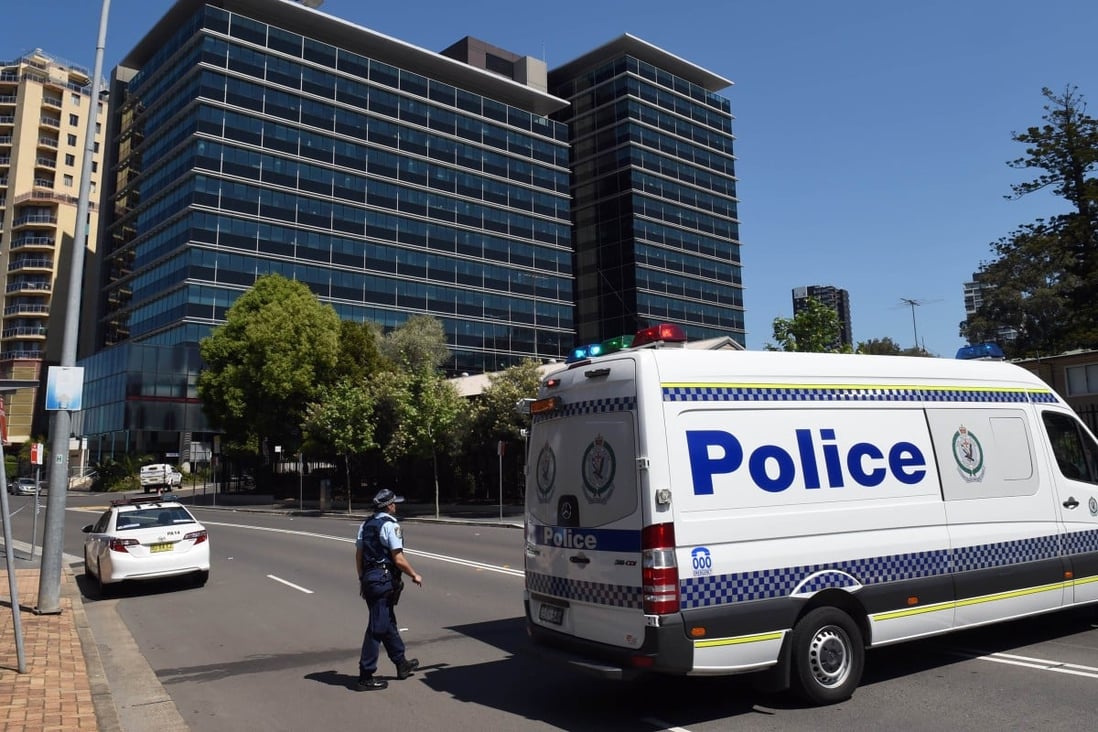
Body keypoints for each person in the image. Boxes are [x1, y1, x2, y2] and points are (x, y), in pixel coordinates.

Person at [355, 488, 423, 690]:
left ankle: (401, 663)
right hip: (383, 580)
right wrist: (414, 574)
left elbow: (359, 555)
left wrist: (362, 578)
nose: (396, 505)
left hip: (370, 579)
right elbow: (398, 558)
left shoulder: (366, 524)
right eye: (394, 503)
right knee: (377, 628)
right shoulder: (390, 526)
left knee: (387, 622)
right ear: (388, 506)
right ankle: (365, 676)